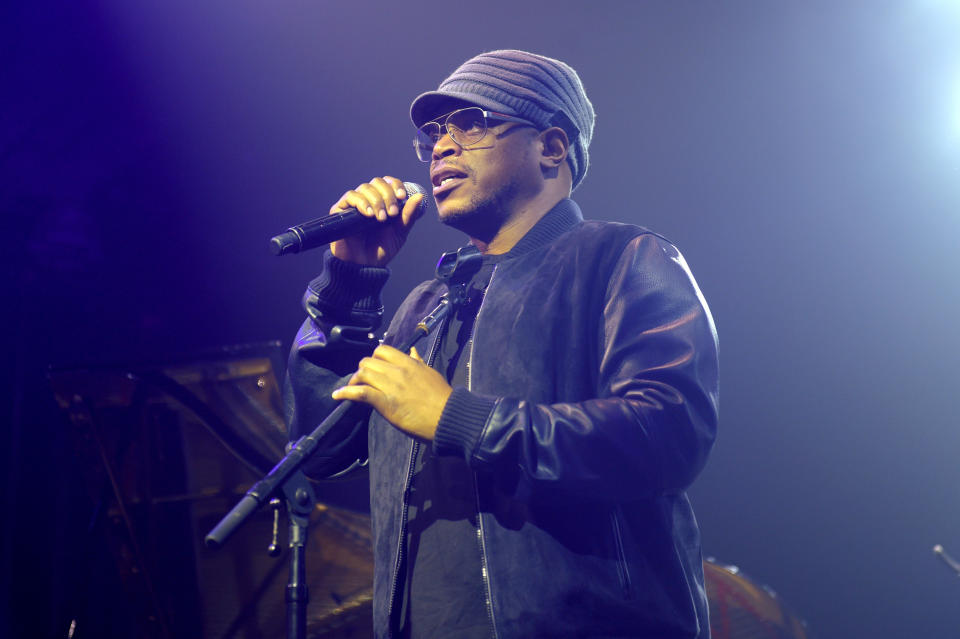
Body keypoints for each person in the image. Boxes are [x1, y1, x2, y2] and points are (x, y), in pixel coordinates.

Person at [284, 50, 719, 638]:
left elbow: (667, 434)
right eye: (434, 134)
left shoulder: (622, 259)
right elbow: (319, 452)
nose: (441, 146)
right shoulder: (426, 306)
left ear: (551, 147)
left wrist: (456, 418)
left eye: (471, 122)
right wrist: (349, 287)